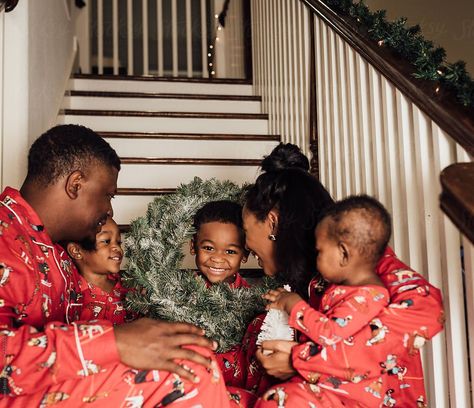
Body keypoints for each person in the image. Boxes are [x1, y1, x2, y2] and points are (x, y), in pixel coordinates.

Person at [0, 124, 232, 407]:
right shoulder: (6, 237)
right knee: (189, 371)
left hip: (52, 381)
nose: (109, 211)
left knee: (192, 356)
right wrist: (114, 342)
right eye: (108, 195)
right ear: (75, 185)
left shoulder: (52, 245)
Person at [240, 143, 443, 407]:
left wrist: (304, 360)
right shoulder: (307, 278)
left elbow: (426, 306)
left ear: (272, 222)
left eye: (245, 231)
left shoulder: (361, 261)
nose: (245, 245)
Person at [262, 195, 403, 406]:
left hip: (352, 396)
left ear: (344, 254)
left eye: (319, 251)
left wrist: (293, 304)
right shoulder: (346, 288)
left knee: (281, 399)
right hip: (333, 385)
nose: (316, 258)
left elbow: (329, 332)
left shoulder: (368, 297)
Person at [67, 217, 135, 325]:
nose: (117, 248)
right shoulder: (69, 296)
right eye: (106, 241)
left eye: (118, 242)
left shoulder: (130, 288)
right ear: (76, 251)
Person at [191, 200, 249, 288]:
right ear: (193, 246)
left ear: (244, 255)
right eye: (209, 248)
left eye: (230, 251)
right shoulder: (182, 288)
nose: (217, 259)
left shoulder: (249, 297)